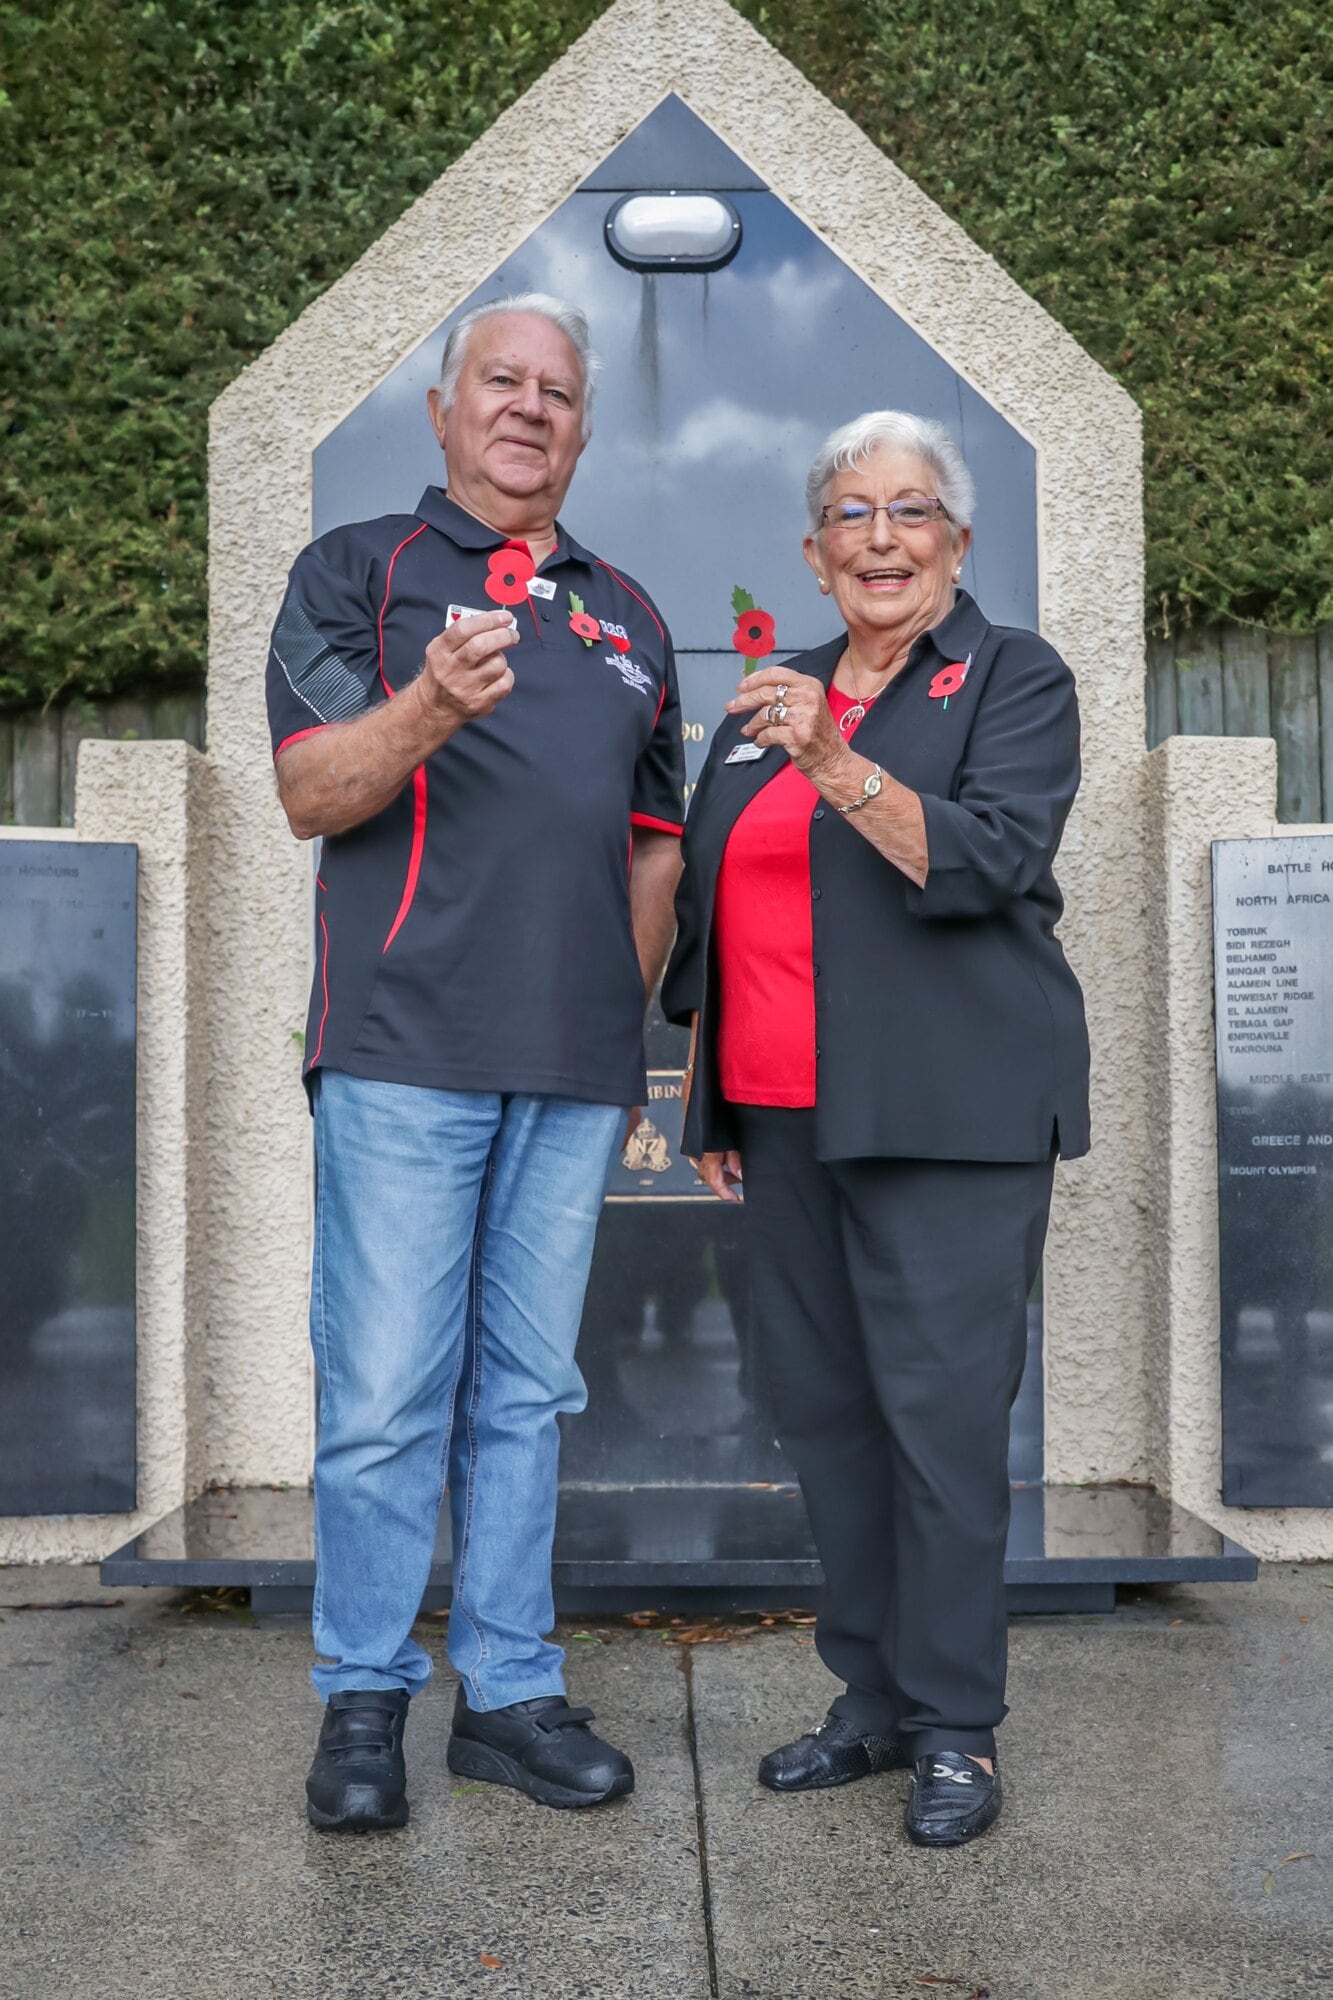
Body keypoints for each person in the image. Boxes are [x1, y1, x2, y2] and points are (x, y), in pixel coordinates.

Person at [266, 292, 685, 1832]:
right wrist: (430, 705)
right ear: (443, 413)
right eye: (499, 383)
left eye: (557, 392)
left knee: (525, 1393)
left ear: (581, 429)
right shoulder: (356, 573)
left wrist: (609, 1021)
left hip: (569, 1071)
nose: (528, 408)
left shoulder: (629, 617)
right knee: (385, 1393)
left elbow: (655, 854)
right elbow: (313, 791)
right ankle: (362, 1702)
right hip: (399, 1051)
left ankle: (506, 1695)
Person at [662, 411, 1089, 1848]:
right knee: (832, 1427)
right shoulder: (766, 705)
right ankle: (872, 1701)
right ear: (812, 550)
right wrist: (712, 1093)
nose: (880, 538)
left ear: (955, 544)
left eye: (911, 512)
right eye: (850, 514)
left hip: (946, 1122)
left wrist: (837, 761)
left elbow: (989, 859)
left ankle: (956, 1727)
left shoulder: (1009, 679)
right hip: (784, 1126)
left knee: (940, 1433)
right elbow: (722, 918)